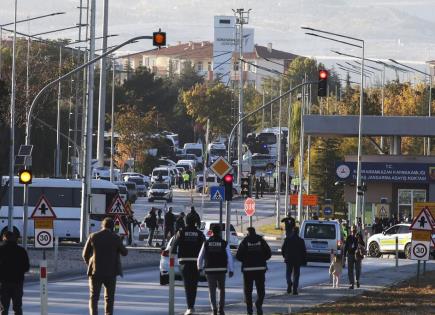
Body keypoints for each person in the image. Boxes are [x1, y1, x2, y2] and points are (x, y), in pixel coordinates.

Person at [83, 217, 128, 315]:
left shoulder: (93, 236)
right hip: (111, 273)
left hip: (95, 272)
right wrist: (120, 241)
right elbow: (124, 253)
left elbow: (85, 254)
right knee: (109, 298)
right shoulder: (115, 238)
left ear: (102, 225)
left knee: (94, 297)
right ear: (112, 227)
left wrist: (90, 264)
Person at [173, 212, 206, 315]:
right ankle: (192, 306)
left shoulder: (181, 232)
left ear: (186, 221)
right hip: (196, 263)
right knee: (194, 285)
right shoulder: (200, 234)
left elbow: (174, 246)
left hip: (184, 262)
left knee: (187, 285)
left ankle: (190, 307)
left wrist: (173, 254)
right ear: (195, 222)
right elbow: (205, 247)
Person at [197, 225, 234, 315]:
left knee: (212, 290)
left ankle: (214, 309)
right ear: (220, 232)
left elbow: (200, 257)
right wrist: (231, 269)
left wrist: (199, 267)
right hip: (221, 270)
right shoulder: (224, 243)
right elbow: (229, 257)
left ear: (211, 232)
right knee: (221, 289)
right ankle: (221, 309)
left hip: (210, 270)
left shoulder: (206, 243)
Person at [236, 227, 271, 315]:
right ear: (255, 232)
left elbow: (238, 256)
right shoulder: (261, 240)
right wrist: (262, 260)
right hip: (260, 269)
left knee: (248, 292)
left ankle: (249, 311)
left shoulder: (245, 241)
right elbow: (268, 253)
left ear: (247, 233)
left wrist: (245, 260)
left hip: (248, 270)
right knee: (261, 290)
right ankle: (259, 304)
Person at [0, 231, 30, 315]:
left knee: (3, 308)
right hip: (17, 282)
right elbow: (26, 267)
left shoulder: (1, 250)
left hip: (3, 283)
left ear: (4, 238)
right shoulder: (21, 251)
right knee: (17, 307)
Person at [281, 226, 306, 295]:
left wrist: (284, 256)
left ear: (292, 231)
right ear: (298, 232)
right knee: (296, 274)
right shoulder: (301, 240)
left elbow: (283, 249)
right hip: (297, 259)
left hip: (288, 259)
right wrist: (304, 260)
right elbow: (304, 251)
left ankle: (289, 282)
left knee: (288, 273)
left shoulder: (287, 239)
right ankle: (295, 289)